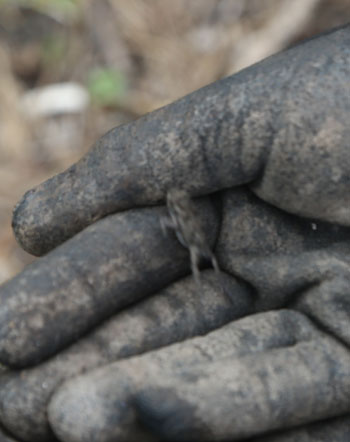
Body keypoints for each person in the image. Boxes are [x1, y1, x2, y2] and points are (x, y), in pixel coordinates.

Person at [0, 24, 349, 442]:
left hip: (197, 242)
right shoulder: (182, 208)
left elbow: (182, 220)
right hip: (194, 240)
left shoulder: (185, 209)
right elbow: (179, 220)